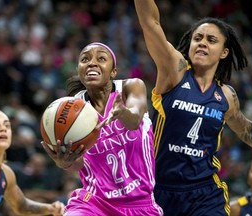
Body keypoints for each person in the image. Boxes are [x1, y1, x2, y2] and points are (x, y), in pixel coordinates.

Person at [134, 1, 252, 215]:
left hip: (205, 193)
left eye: (211, 40)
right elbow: (150, 23)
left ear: (224, 52)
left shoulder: (226, 96)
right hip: (158, 187)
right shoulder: (174, 71)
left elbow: (246, 131)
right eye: (198, 38)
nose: (202, 43)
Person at [42, 42, 163, 216]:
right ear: (79, 70)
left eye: (101, 58)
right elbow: (78, 162)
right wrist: (64, 162)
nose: (92, 63)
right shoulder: (72, 108)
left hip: (140, 204)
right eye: (85, 59)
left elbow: (135, 120)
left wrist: (122, 113)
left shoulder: (131, 87)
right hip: (94, 202)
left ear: (113, 72)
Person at [0, 109, 65, 216]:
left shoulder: (6, 173)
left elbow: (21, 206)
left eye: (7, 126)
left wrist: (50, 208)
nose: (3, 128)